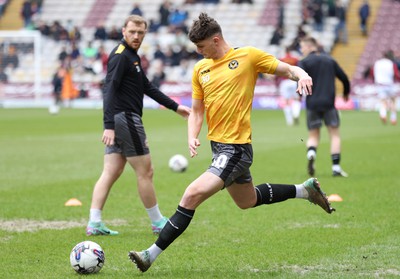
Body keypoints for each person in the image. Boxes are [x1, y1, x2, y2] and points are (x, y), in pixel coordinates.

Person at [128, 13, 335, 272]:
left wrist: (302, 74)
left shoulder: (247, 56)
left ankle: (150, 255)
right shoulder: (200, 69)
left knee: (191, 195)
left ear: (216, 40)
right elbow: (197, 110)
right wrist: (192, 134)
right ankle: (305, 190)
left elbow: (287, 68)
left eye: (202, 47)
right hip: (219, 148)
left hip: (236, 148)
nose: (199, 52)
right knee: (246, 201)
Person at [86, 15, 191, 236]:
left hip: (120, 119)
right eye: (132, 31)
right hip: (125, 119)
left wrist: (175, 107)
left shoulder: (132, 57)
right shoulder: (120, 56)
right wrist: (109, 125)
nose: (136, 36)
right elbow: (110, 89)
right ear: (123, 31)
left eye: (140, 33)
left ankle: (94, 223)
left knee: (111, 171)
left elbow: (147, 87)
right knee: (146, 172)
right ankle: (157, 222)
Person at [298, 36, 350, 178]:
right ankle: (336, 167)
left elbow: (299, 79)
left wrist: (299, 96)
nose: (301, 50)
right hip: (329, 104)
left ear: (310, 47)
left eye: (302, 47)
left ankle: (311, 152)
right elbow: (344, 78)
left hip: (312, 104)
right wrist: (346, 92)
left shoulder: (303, 62)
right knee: (334, 135)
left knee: (313, 135)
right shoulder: (330, 60)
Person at [371, 50, 400, 125]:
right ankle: (393, 118)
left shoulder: (377, 63)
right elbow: (396, 74)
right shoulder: (391, 63)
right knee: (393, 101)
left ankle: (383, 114)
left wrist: (374, 81)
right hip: (389, 84)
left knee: (383, 101)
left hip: (380, 84)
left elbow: (372, 73)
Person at [278, 46, 301, 126]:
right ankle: (296, 114)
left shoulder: (282, 59)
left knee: (287, 101)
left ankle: (289, 121)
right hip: (294, 81)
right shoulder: (295, 59)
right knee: (296, 99)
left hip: (285, 81)